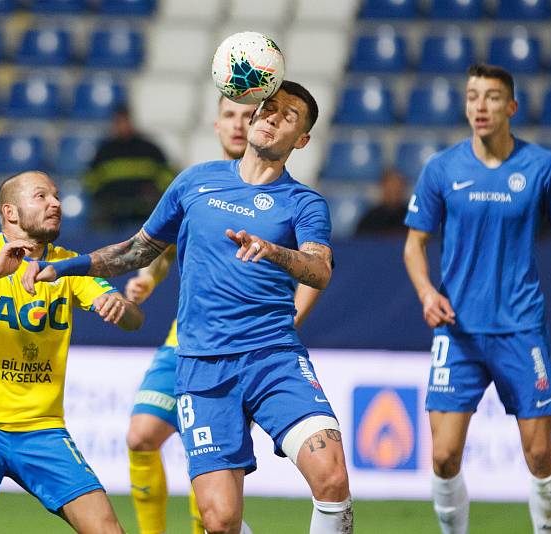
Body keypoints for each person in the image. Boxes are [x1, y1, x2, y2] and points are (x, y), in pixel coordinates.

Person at [24, 81, 353, 534]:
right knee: (219, 521)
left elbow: (319, 270)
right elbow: (136, 251)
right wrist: (67, 268)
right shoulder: (194, 182)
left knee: (332, 477)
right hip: (201, 366)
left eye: (289, 115)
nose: (273, 117)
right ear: (254, 118)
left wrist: (273, 251)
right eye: (269, 108)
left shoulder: (304, 203)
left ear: (302, 140)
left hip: (273, 357)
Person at [403, 64, 551, 534]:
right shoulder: (441, 168)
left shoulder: (541, 166)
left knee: (540, 454)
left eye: (490, 97)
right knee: (444, 456)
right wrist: (427, 292)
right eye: (472, 97)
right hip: (458, 331)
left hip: (521, 328)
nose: (479, 107)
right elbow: (413, 243)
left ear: (511, 107)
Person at [125, 96, 322, 534]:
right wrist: (148, 278)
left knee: (220, 489)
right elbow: (163, 244)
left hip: (252, 348)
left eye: (246, 115)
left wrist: (292, 320)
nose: (240, 124)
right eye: (231, 116)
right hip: (187, 344)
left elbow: (317, 268)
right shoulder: (200, 185)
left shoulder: (290, 199)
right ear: (216, 126)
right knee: (140, 436)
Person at [0, 171, 143, 534]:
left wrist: (118, 305)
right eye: (41, 196)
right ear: (11, 212)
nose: (55, 203)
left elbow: (134, 320)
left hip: (42, 431)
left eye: (56, 196)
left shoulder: (68, 265)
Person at [84, 105, 175, 230]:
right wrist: (103, 197)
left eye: (125, 121)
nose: (122, 126)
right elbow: (90, 181)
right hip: (113, 215)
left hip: (145, 213)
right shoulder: (104, 152)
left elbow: (168, 178)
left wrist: (156, 192)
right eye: (118, 122)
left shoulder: (149, 149)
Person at [354, 167, 409, 236]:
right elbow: (359, 243)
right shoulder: (371, 219)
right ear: (383, 187)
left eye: (397, 186)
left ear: (403, 188)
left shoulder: (412, 219)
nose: (393, 190)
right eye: (390, 186)